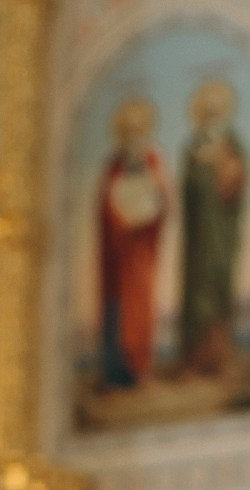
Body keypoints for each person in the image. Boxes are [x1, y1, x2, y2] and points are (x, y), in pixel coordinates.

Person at [96, 99, 167, 391]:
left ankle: (139, 368)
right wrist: (120, 221)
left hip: (140, 253)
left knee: (140, 309)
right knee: (116, 309)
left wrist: (150, 210)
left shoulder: (152, 162)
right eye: (128, 130)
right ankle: (116, 371)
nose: (134, 134)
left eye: (139, 129)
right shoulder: (114, 166)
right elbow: (105, 208)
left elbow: (163, 202)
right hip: (118, 254)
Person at [178, 80, 247, 379]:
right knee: (198, 293)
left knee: (220, 286)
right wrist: (203, 171)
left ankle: (220, 357)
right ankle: (196, 359)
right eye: (207, 111)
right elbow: (188, 186)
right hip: (199, 237)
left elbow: (240, 179)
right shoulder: (193, 147)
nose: (212, 115)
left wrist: (227, 172)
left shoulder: (232, 144)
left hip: (221, 234)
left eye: (217, 110)